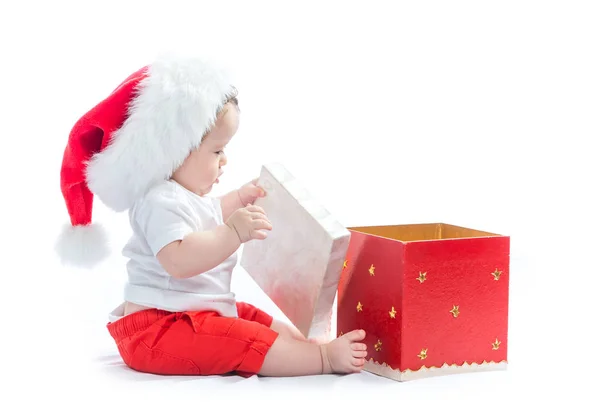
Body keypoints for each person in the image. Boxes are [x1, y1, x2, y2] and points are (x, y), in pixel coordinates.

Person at [55, 52, 367, 378]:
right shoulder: (158, 200)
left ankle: (308, 347)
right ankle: (322, 360)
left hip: (190, 312)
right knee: (242, 340)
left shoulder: (184, 195)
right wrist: (232, 233)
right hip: (158, 328)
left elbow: (209, 214)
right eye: (217, 151)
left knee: (251, 316)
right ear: (173, 152)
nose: (224, 161)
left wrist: (239, 199)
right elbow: (178, 259)